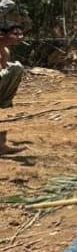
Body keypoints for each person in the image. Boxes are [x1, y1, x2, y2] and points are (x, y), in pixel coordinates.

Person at [0, 22, 27, 155]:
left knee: (17, 67)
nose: (20, 37)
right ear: (2, 35)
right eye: (15, 34)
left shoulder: (5, 51)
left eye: (21, 34)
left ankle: (1, 146)